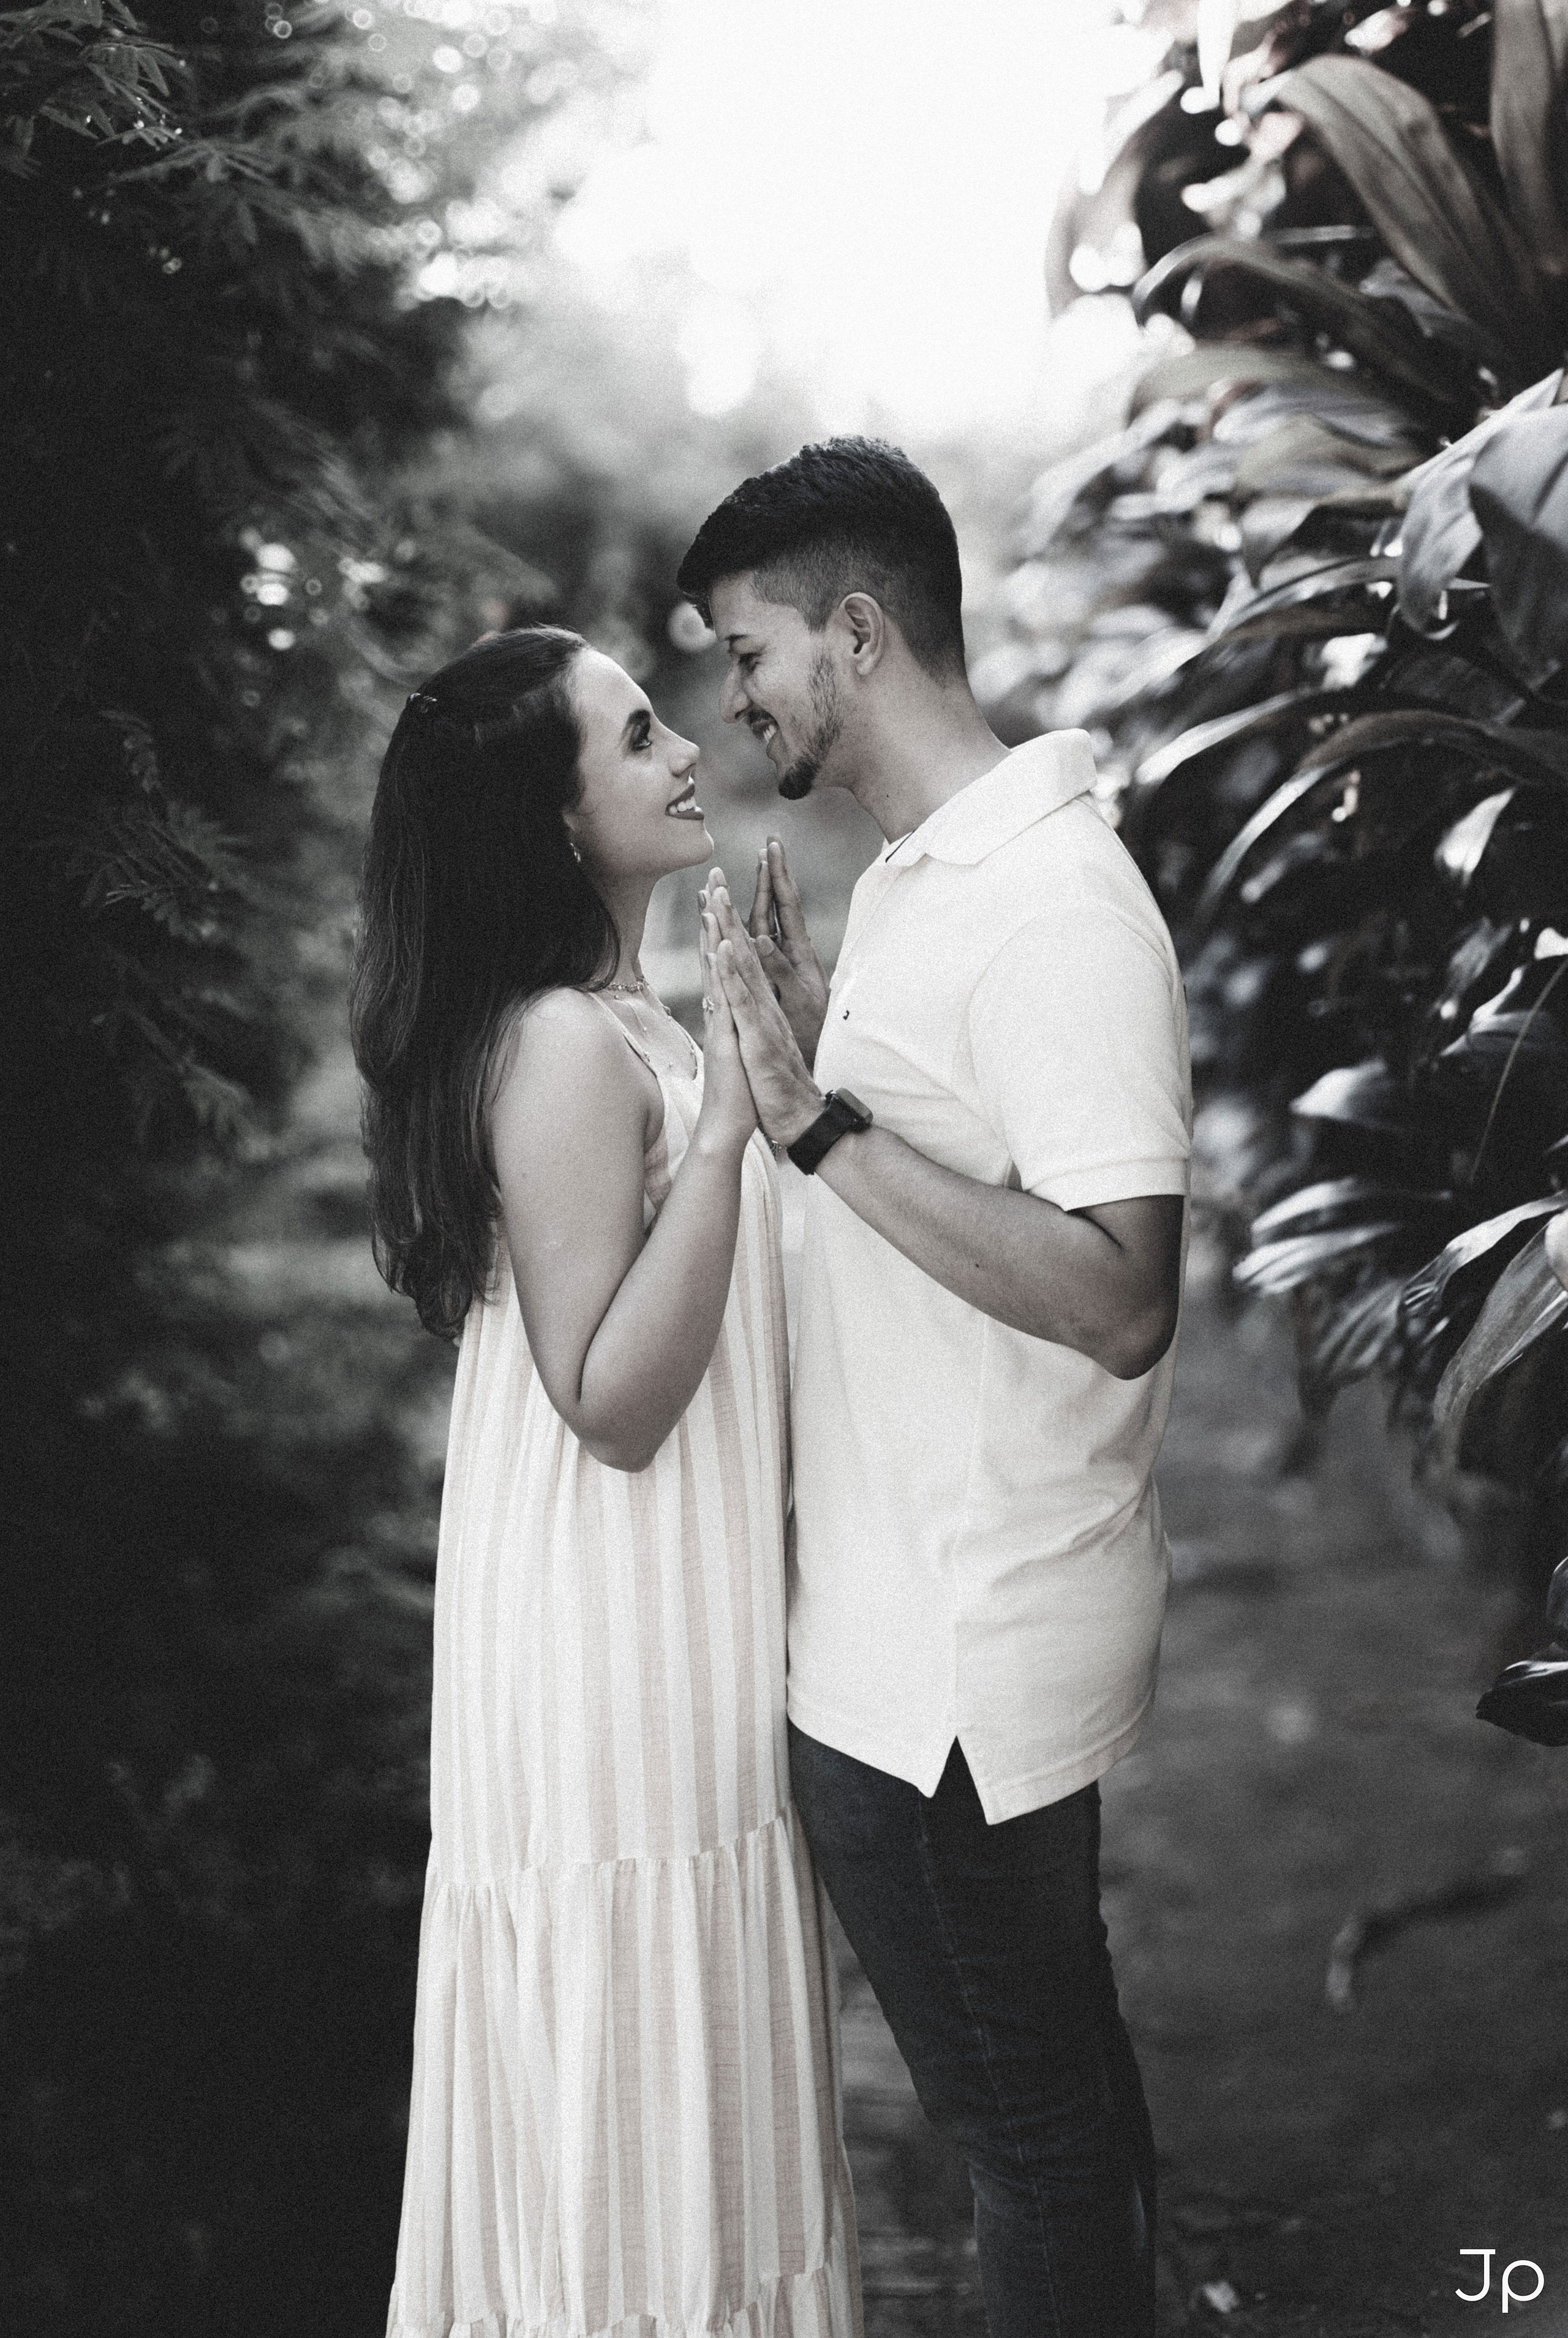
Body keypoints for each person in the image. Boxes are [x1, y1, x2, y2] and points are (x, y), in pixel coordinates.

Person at [676, 439, 1192, 2338]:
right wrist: (831, 1081)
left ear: (859, 633)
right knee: (1061, 2113)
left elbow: (1125, 1297)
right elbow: (949, 1195)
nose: (730, 703)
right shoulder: (923, 878)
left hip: (951, 1674)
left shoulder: (1050, 903)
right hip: (927, 1636)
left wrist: (814, 1128)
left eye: (747, 654)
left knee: (1029, 2149)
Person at [351, 625, 861, 2338]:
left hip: (668, 1602)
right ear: (559, 824)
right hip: (609, 1629)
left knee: (684, 2071)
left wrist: (761, 1066)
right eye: (636, 736)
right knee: (645, 2076)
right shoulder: (564, 1043)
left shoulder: (623, 1013)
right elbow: (612, 1399)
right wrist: (727, 1118)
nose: (683, 749)